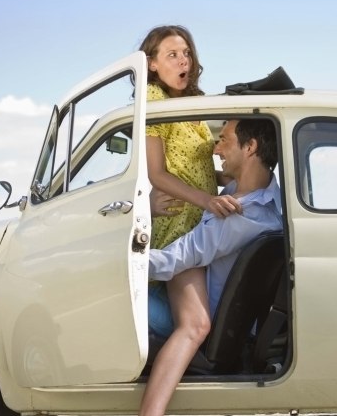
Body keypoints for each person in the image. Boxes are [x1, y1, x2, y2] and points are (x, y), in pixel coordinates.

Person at [141, 118, 283, 416]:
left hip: (197, 319)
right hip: (219, 315)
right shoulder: (267, 199)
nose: (215, 149)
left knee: (100, 301)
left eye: (224, 140)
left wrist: (115, 264)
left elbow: (173, 260)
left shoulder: (239, 216)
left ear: (250, 147)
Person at [136, 25, 242, 416]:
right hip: (181, 225)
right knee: (196, 324)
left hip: (204, 223)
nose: (184, 61)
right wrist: (207, 201)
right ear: (151, 64)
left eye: (186, 53)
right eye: (172, 54)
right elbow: (158, 174)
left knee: (204, 320)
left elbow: (199, 168)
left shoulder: (190, 104)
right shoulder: (155, 99)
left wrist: (242, 183)